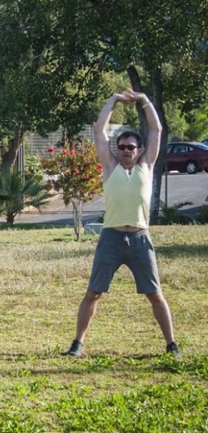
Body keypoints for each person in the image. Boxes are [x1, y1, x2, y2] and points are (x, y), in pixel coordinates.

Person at [65, 90, 180, 358]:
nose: (126, 150)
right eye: (122, 147)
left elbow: (157, 129)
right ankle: (77, 344)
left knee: (155, 294)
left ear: (139, 150)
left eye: (131, 147)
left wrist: (144, 100)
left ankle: (171, 344)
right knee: (93, 293)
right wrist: (114, 100)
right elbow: (99, 129)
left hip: (140, 238)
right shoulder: (110, 166)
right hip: (111, 238)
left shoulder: (147, 166)